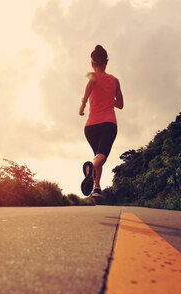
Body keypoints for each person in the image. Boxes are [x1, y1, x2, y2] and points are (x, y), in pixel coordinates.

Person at [79, 44, 123, 198]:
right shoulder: (115, 80)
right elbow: (121, 104)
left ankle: (96, 188)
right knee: (102, 155)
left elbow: (91, 82)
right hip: (108, 124)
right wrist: (110, 100)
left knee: (98, 156)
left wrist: (83, 103)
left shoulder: (92, 75)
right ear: (106, 62)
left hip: (90, 126)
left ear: (92, 63)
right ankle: (92, 174)